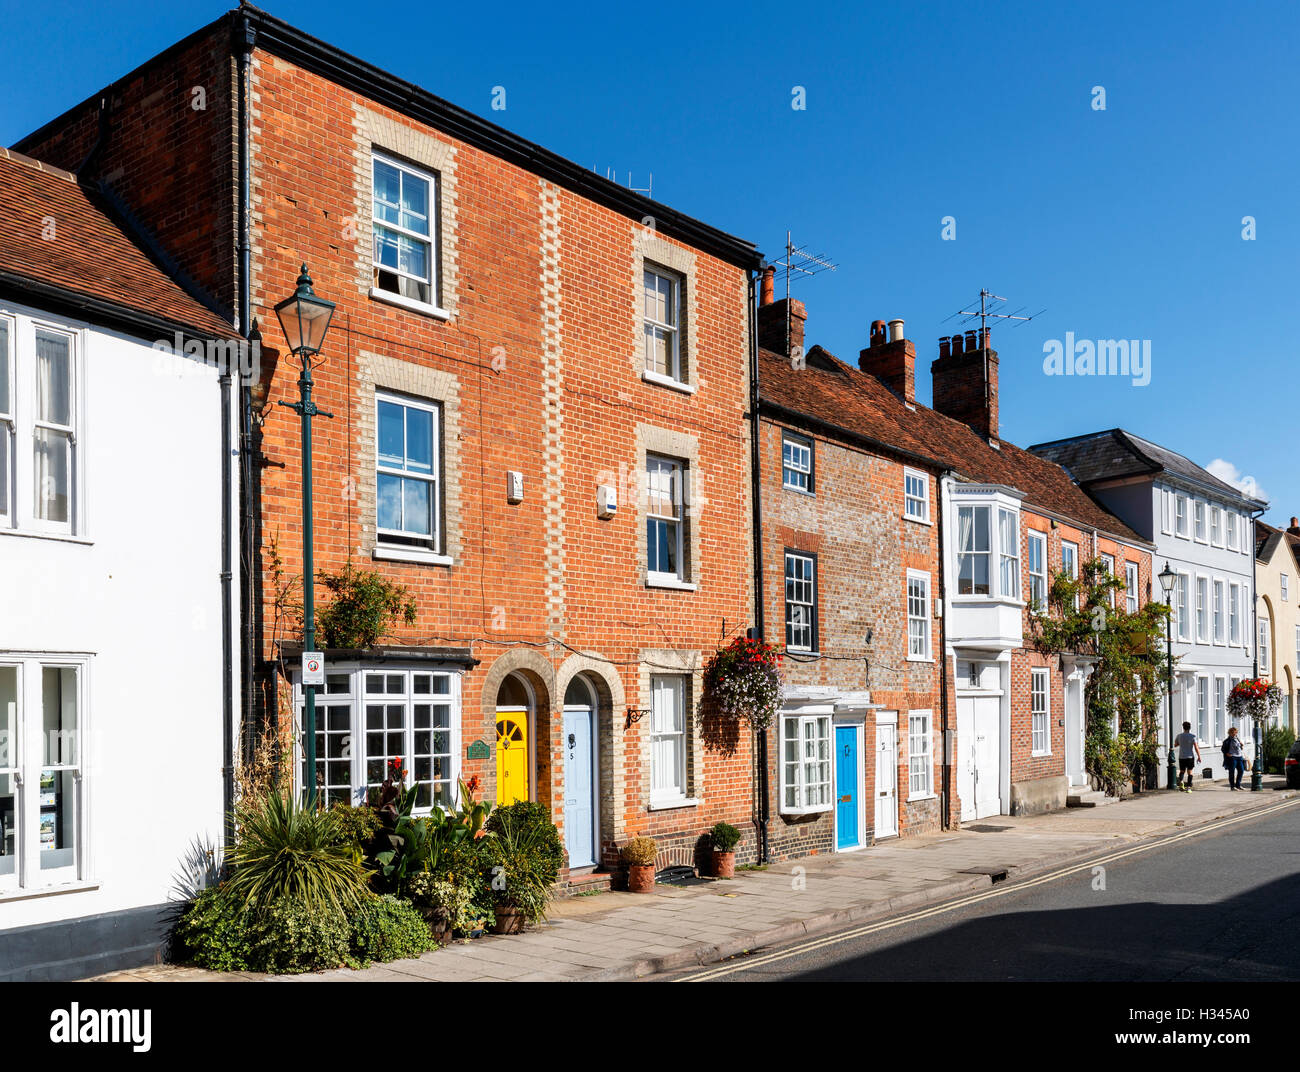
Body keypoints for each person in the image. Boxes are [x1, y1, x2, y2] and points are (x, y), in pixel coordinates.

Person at [1174, 721, 1200, 791]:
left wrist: (1182, 743)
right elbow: (1196, 747)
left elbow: (1175, 745)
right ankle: (1188, 788)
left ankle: (1181, 782)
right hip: (1190, 756)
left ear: (1183, 728)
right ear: (1190, 728)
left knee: (1182, 771)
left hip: (1182, 756)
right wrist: (1199, 756)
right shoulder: (1192, 736)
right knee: (1190, 772)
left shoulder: (1179, 736)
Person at [1222, 725, 1246, 790]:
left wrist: (1241, 745)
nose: (1234, 734)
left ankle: (1238, 785)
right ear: (1229, 733)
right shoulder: (1227, 741)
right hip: (1232, 757)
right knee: (1232, 771)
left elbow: (1240, 748)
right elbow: (1223, 749)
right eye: (1232, 732)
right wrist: (1227, 754)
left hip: (1239, 757)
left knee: (1241, 770)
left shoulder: (1237, 739)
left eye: (1235, 732)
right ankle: (1232, 786)